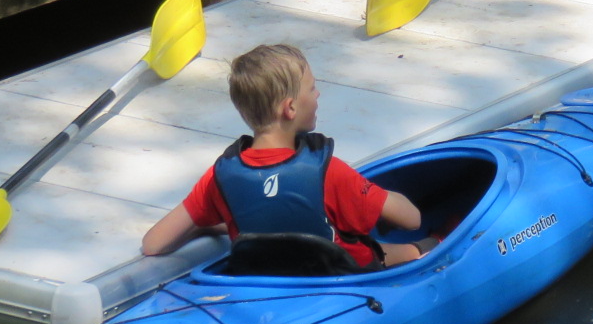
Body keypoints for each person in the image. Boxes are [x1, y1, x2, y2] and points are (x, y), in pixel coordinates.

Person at [140, 43, 428, 267]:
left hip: (271, 282)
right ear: (290, 108)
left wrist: (208, 227)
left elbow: (154, 244)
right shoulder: (329, 173)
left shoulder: (219, 178)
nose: (318, 95)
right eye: (312, 88)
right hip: (343, 277)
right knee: (421, 246)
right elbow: (411, 219)